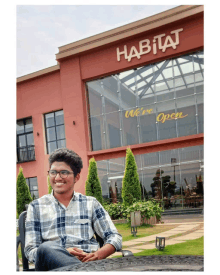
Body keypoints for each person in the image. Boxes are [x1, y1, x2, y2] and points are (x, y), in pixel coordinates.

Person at [24, 148, 122, 271]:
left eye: (64, 172)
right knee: (46, 248)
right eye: (53, 172)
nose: (58, 178)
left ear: (77, 177)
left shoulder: (91, 204)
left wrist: (98, 255)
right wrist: (61, 253)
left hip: (89, 263)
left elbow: (114, 237)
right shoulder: (36, 207)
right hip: (52, 269)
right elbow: (30, 250)